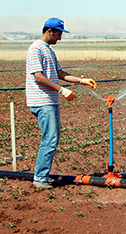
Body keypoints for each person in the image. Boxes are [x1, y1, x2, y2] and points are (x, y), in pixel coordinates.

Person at [26, 17, 97, 189]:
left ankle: (42, 175)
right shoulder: (36, 49)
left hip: (50, 101)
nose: (60, 38)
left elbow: (59, 72)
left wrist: (81, 80)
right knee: (49, 139)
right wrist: (61, 90)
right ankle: (40, 178)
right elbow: (38, 76)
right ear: (49, 31)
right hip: (42, 101)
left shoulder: (48, 50)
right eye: (59, 34)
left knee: (52, 138)